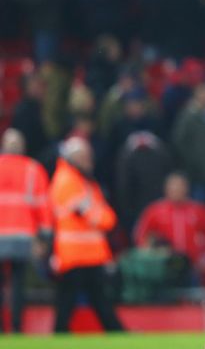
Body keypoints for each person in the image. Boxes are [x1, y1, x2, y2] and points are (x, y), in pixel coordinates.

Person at [49, 136, 123, 333]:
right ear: (72, 158)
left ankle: (116, 331)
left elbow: (105, 215)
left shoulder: (83, 181)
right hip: (74, 254)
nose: (88, 160)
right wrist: (103, 218)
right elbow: (97, 216)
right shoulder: (67, 180)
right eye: (83, 156)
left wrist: (104, 218)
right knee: (71, 300)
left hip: (87, 254)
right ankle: (61, 332)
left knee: (96, 298)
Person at [0, 129, 52, 333]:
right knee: (18, 283)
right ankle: (16, 326)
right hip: (23, 236)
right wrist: (45, 238)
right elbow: (43, 207)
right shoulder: (33, 169)